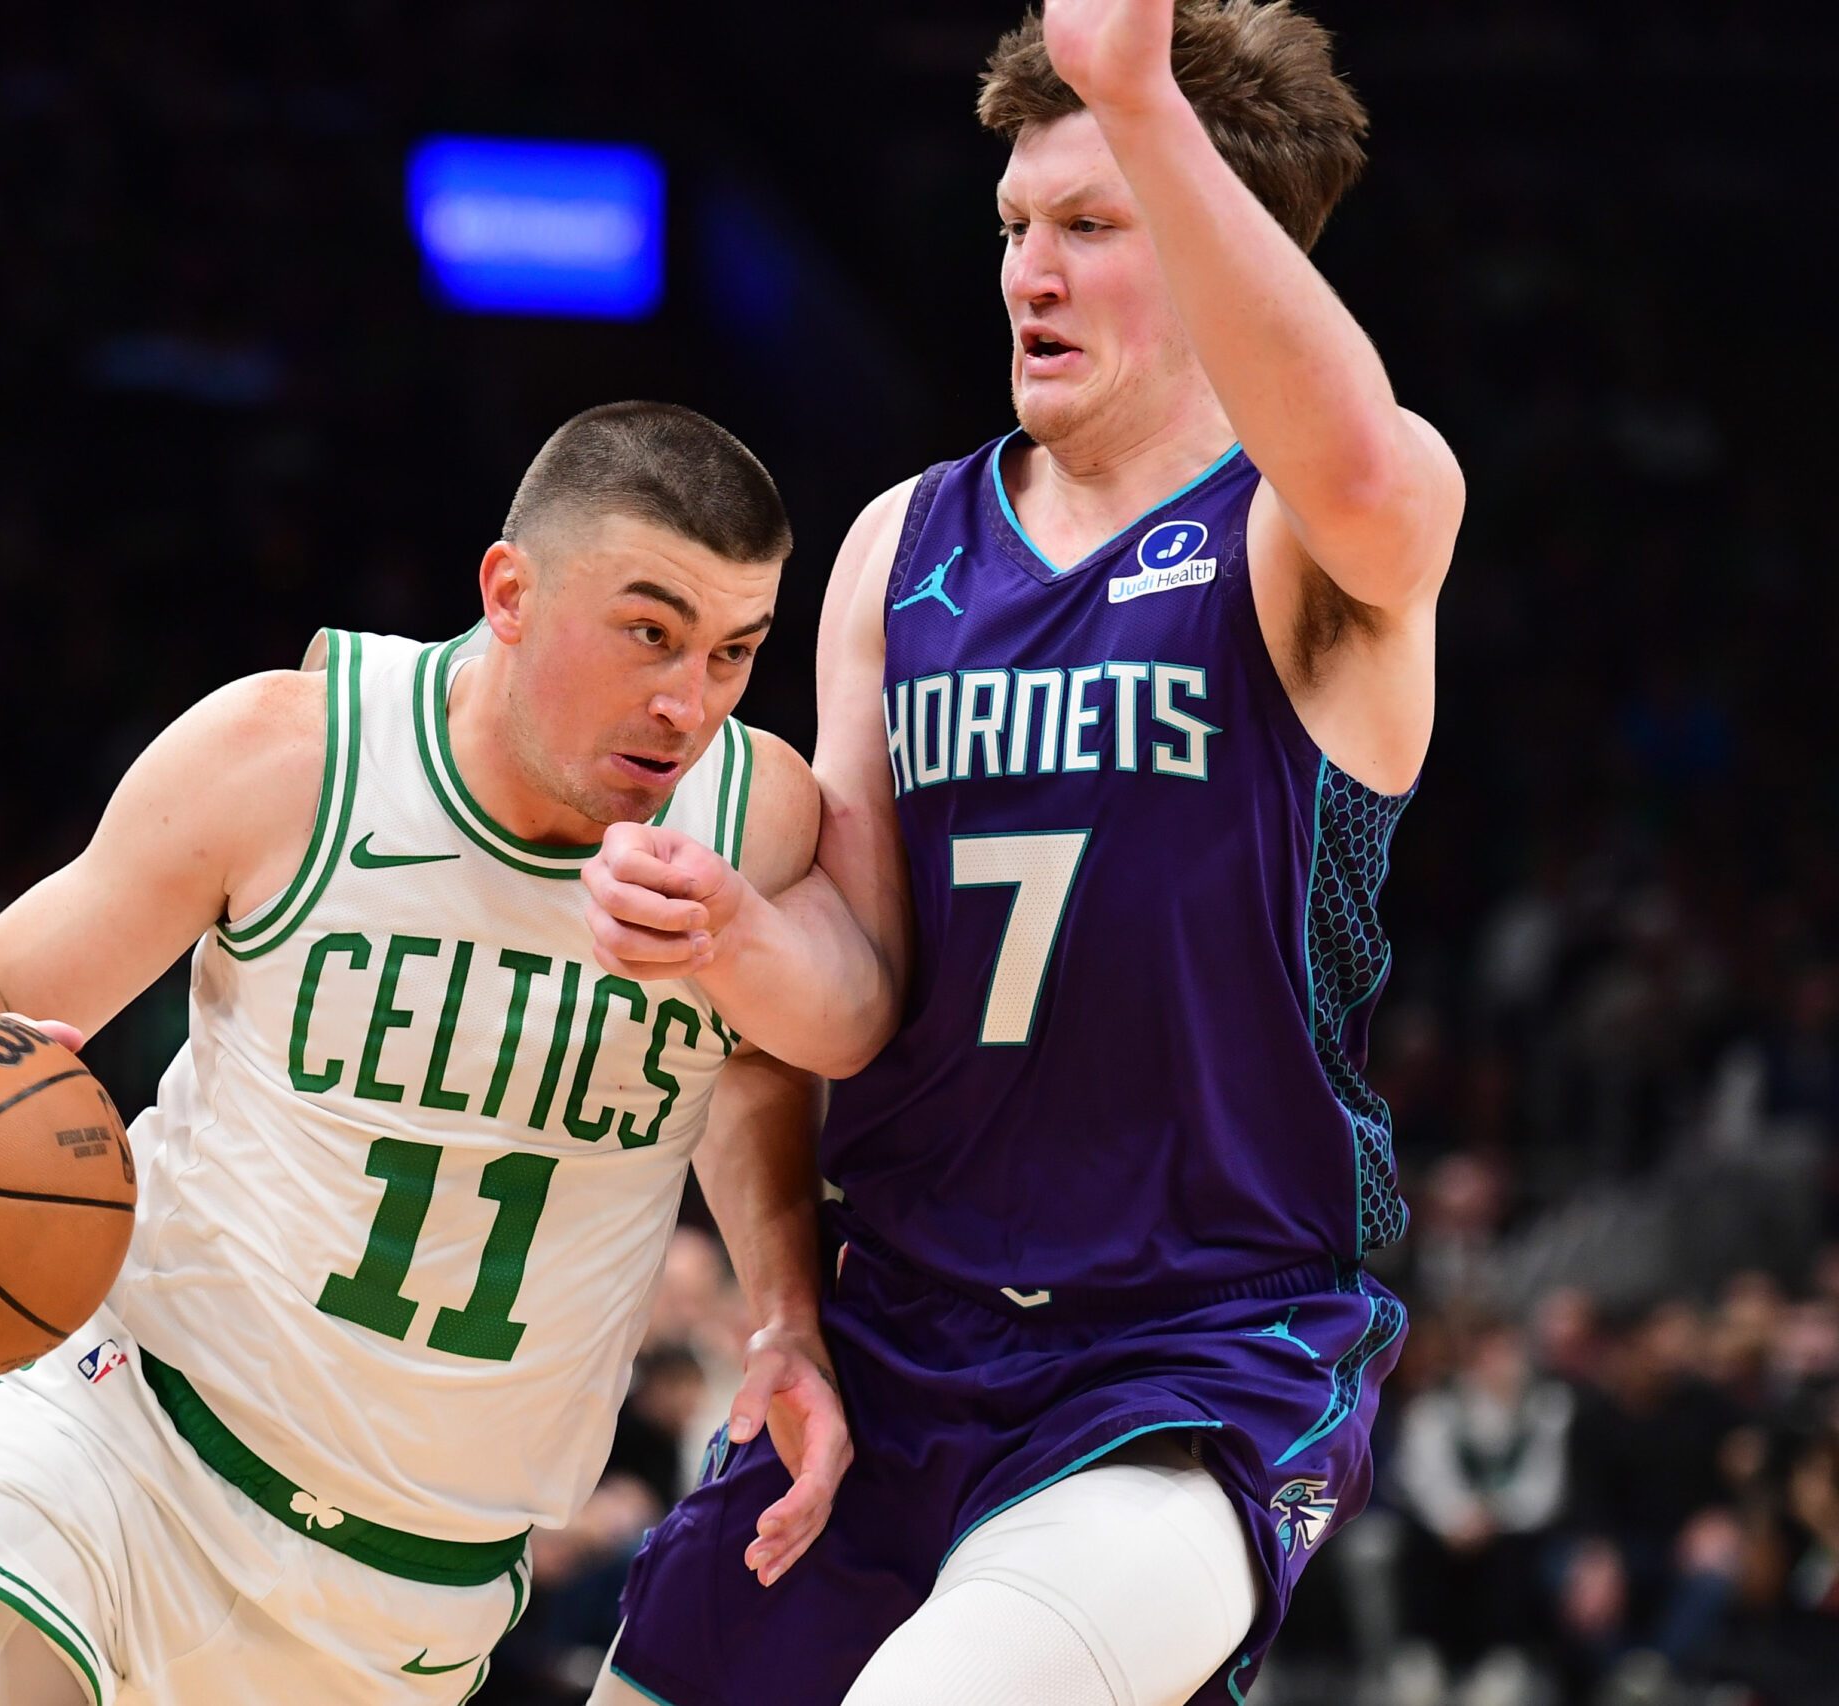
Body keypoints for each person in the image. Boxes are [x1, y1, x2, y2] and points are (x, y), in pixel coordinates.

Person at [581, 2, 1465, 1700]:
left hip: (1198, 1350)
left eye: (1091, 227)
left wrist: (1138, 79)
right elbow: (856, 994)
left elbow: (1359, 457)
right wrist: (729, 939)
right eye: (1014, 230)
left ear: (1222, 250)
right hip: (899, 1337)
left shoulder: (1311, 537)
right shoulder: (904, 546)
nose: (1027, 278)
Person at [0, 401, 851, 1706]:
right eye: (649, 632)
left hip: (407, 1594)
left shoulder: (757, 815)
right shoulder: (291, 753)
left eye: (734, 652)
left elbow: (758, 1066)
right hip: (120, 1447)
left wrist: (786, 1307)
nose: (687, 703)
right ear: (510, 590)